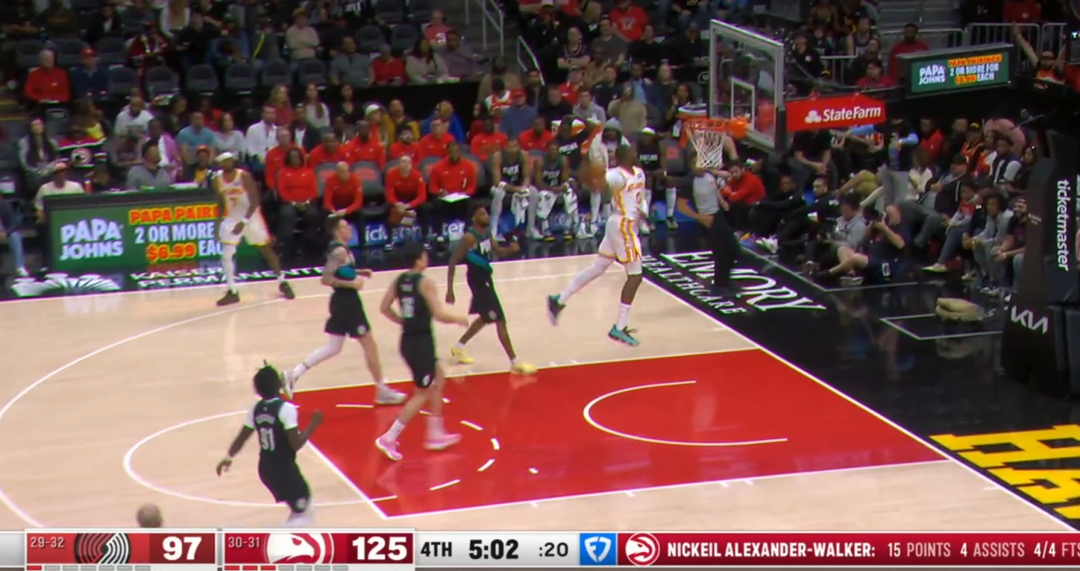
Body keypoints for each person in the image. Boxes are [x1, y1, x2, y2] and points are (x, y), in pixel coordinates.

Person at [280, 217, 407, 404]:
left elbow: (341, 271)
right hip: (347, 302)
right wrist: (352, 284)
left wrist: (359, 272)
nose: (350, 229)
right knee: (370, 345)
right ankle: (382, 390)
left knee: (333, 347)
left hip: (342, 301)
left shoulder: (343, 250)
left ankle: (293, 374)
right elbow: (326, 278)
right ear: (337, 231)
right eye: (345, 226)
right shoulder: (338, 251)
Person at [376, 243, 470, 461]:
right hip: (421, 342)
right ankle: (389, 437)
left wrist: (403, 321)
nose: (427, 258)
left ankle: (435, 432)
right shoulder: (425, 282)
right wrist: (458, 319)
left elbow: (384, 308)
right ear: (418, 259)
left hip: (408, 340)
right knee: (422, 393)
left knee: (439, 377)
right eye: (425, 255)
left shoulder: (399, 280)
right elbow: (438, 314)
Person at [547, 145, 646, 346]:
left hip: (623, 225)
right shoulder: (616, 176)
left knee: (598, 268)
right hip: (623, 226)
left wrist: (643, 211)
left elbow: (640, 197)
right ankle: (619, 327)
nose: (635, 153)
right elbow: (598, 185)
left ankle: (559, 299)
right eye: (631, 152)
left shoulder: (639, 172)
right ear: (622, 157)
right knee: (635, 276)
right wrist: (587, 169)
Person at [215, 364, 323, 527]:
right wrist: (314, 423)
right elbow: (296, 444)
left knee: (300, 511)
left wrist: (228, 457)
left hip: (266, 469)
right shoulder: (286, 409)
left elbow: (242, 437)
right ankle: (271, 536)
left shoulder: (256, 409)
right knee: (305, 515)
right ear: (278, 384)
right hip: (284, 469)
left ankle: (282, 538)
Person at [446, 203, 536, 372]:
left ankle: (458, 347)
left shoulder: (487, 232)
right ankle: (515, 362)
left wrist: (511, 249)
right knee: (500, 319)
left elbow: (499, 252)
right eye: (481, 213)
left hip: (486, 278)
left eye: (486, 213)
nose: (486, 216)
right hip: (478, 281)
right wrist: (450, 289)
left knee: (486, 317)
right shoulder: (469, 238)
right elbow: (453, 260)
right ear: (473, 218)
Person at [213, 152, 296, 305]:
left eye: (229, 160)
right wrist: (217, 225)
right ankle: (232, 291)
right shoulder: (217, 179)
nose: (227, 163)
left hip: (251, 217)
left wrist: (243, 222)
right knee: (226, 254)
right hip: (232, 217)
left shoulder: (243, 176)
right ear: (220, 163)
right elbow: (220, 204)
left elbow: (255, 201)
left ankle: (282, 281)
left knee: (266, 250)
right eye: (224, 161)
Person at [676, 161, 740, 295]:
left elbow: (714, 188)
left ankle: (726, 279)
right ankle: (719, 285)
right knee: (720, 252)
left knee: (733, 248)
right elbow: (681, 206)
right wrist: (699, 217)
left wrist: (721, 201)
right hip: (706, 219)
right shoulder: (688, 181)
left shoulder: (709, 174)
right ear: (692, 165)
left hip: (718, 214)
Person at [490, 138, 540, 240]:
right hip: (501, 186)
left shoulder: (524, 155)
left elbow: (527, 176)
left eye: (515, 146)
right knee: (499, 194)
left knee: (534, 192)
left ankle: (531, 228)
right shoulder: (498, 156)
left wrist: (523, 188)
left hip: (518, 185)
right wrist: (514, 189)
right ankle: (493, 229)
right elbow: (497, 181)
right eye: (509, 147)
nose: (512, 149)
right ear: (505, 147)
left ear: (519, 147)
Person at [534, 139, 578, 240]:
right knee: (545, 196)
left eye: (556, 150)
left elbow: (565, 179)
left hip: (558, 187)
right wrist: (551, 189)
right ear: (547, 150)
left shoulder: (563, 160)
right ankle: (545, 228)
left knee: (570, 194)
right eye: (551, 150)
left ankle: (569, 226)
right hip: (545, 188)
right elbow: (538, 183)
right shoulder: (540, 162)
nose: (554, 152)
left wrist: (562, 187)